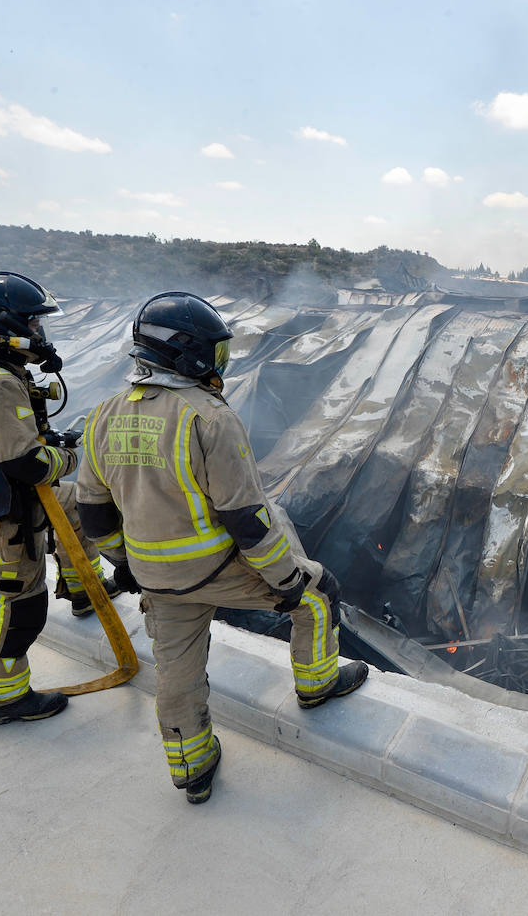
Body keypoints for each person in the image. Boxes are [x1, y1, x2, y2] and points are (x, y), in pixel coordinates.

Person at [76, 291, 367, 804]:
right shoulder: (208, 416)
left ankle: (192, 768)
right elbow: (247, 520)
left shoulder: (103, 414)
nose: (219, 365)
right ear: (186, 353)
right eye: (214, 353)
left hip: (154, 577)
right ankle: (317, 685)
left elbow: (93, 511)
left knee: (177, 670)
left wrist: (126, 565)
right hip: (217, 569)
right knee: (319, 595)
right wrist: (286, 580)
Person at [0, 271, 116, 724]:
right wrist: (67, 455)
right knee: (17, 595)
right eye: (33, 324)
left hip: (2, 489)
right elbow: (27, 464)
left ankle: (83, 590)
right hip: (7, 503)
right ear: (4, 324)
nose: (39, 333)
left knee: (75, 506)